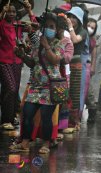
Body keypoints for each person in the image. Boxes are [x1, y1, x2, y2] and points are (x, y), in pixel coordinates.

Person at [10, 12, 68, 154]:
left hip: (50, 87)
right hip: (35, 87)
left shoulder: (59, 44)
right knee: (27, 113)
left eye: (52, 26)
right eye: (46, 26)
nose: (49, 28)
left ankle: (46, 143)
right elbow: (33, 63)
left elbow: (55, 60)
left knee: (46, 118)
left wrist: (46, 46)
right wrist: (22, 56)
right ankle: (25, 141)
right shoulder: (37, 44)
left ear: (56, 29)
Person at [0, 1, 32, 130]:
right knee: (11, 88)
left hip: (18, 61)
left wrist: (29, 10)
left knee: (13, 91)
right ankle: (6, 120)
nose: (12, 14)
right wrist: (2, 11)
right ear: (5, 12)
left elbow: (34, 25)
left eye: (14, 12)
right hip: (4, 61)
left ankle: (11, 118)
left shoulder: (18, 24)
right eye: (9, 11)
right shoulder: (2, 24)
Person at [64, 6, 87, 131]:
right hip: (64, 62)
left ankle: (74, 122)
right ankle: (64, 121)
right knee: (64, 91)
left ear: (79, 19)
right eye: (70, 17)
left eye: (74, 17)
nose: (71, 19)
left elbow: (74, 39)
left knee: (74, 92)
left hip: (75, 63)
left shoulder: (83, 31)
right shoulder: (63, 29)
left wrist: (70, 26)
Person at [85, 18, 97, 123]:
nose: (90, 29)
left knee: (89, 91)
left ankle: (92, 114)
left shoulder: (92, 40)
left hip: (87, 66)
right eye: (89, 26)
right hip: (77, 65)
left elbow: (93, 53)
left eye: (93, 28)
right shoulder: (79, 36)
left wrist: (93, 66)